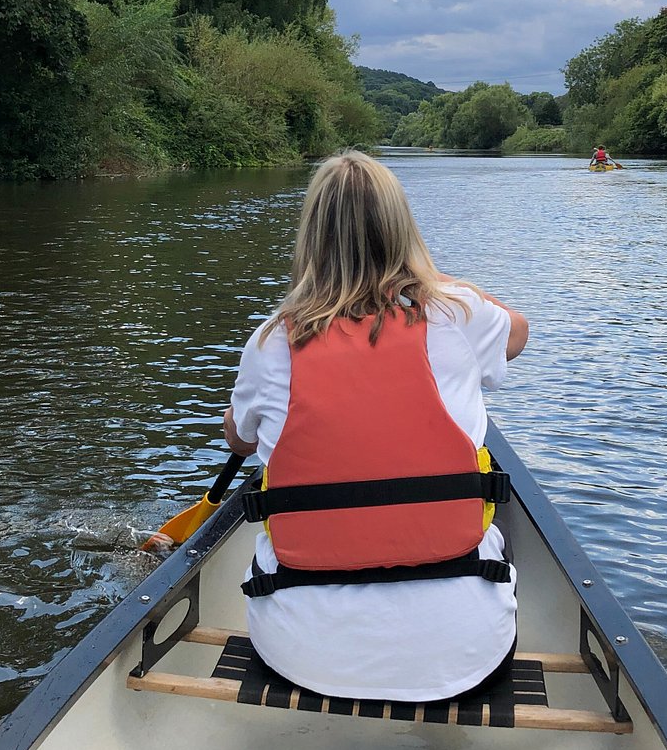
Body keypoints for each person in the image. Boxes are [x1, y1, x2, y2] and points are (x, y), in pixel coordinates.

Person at [223, 149, 529, 702]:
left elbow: (240, 440)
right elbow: (518, 333)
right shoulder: (457, 313)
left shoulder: (270, 342)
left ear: (311, 237)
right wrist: (436, 281)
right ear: (402, 230)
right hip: (463, 653)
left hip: (300, 654)